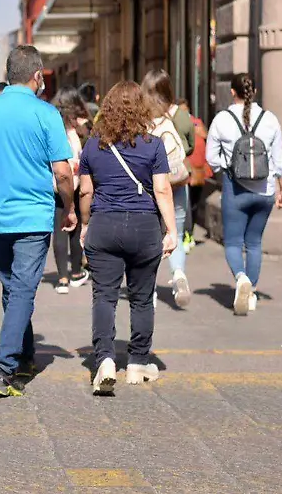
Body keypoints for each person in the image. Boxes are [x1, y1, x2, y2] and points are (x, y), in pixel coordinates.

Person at [0, 46, 76, 398]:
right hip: (34, 214)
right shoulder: (46, 114)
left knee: (13, 288)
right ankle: (4, 367)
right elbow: (62, 171)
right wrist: (69, 206)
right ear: (38, 75)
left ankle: (25, 355)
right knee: (23, 289)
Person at [77, 81, 177, 395]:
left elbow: (86, 191)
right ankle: (137, 362)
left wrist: (84, 224)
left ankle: (105, 359)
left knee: (104, 296)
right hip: (144, 226)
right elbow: (161, 189)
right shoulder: (154, 144)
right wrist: (172, 230)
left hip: (104, 225)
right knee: (142, 298)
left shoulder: (93, 145)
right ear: (142, 108)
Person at [205, 72, 282, 316]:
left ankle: (241, 279)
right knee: (254, 243)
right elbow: (279, 160)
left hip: (236, 189)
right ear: (255, 91)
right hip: (266, 192)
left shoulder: (222, 119)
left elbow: (211, 158)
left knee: (232, 242)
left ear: (232, 92)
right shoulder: (270, 119)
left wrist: (229, 164)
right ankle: (250, 293)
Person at [141, 69, 195, 308]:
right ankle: (179, 274)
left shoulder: (140, 122)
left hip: (150, 190)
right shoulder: (176, 117)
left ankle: (149, 290)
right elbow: (188, 148)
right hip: (177, 185)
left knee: (149, 239)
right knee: (177, 234)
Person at [51, 88, 93, 293]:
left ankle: (62, 278)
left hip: (55, 184)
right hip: (79, 181)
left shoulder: (51, 123)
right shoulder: (82, 127)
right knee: (77, 225)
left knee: (59, 227)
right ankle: (76, 271)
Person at [181, 99, 210, 251]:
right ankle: (186, 234)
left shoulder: (196, 122)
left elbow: (205, 135)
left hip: (196, 170)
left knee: (192, 203)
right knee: (186, 204)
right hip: (185, 169)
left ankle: (188, 234)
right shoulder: (178, 124)